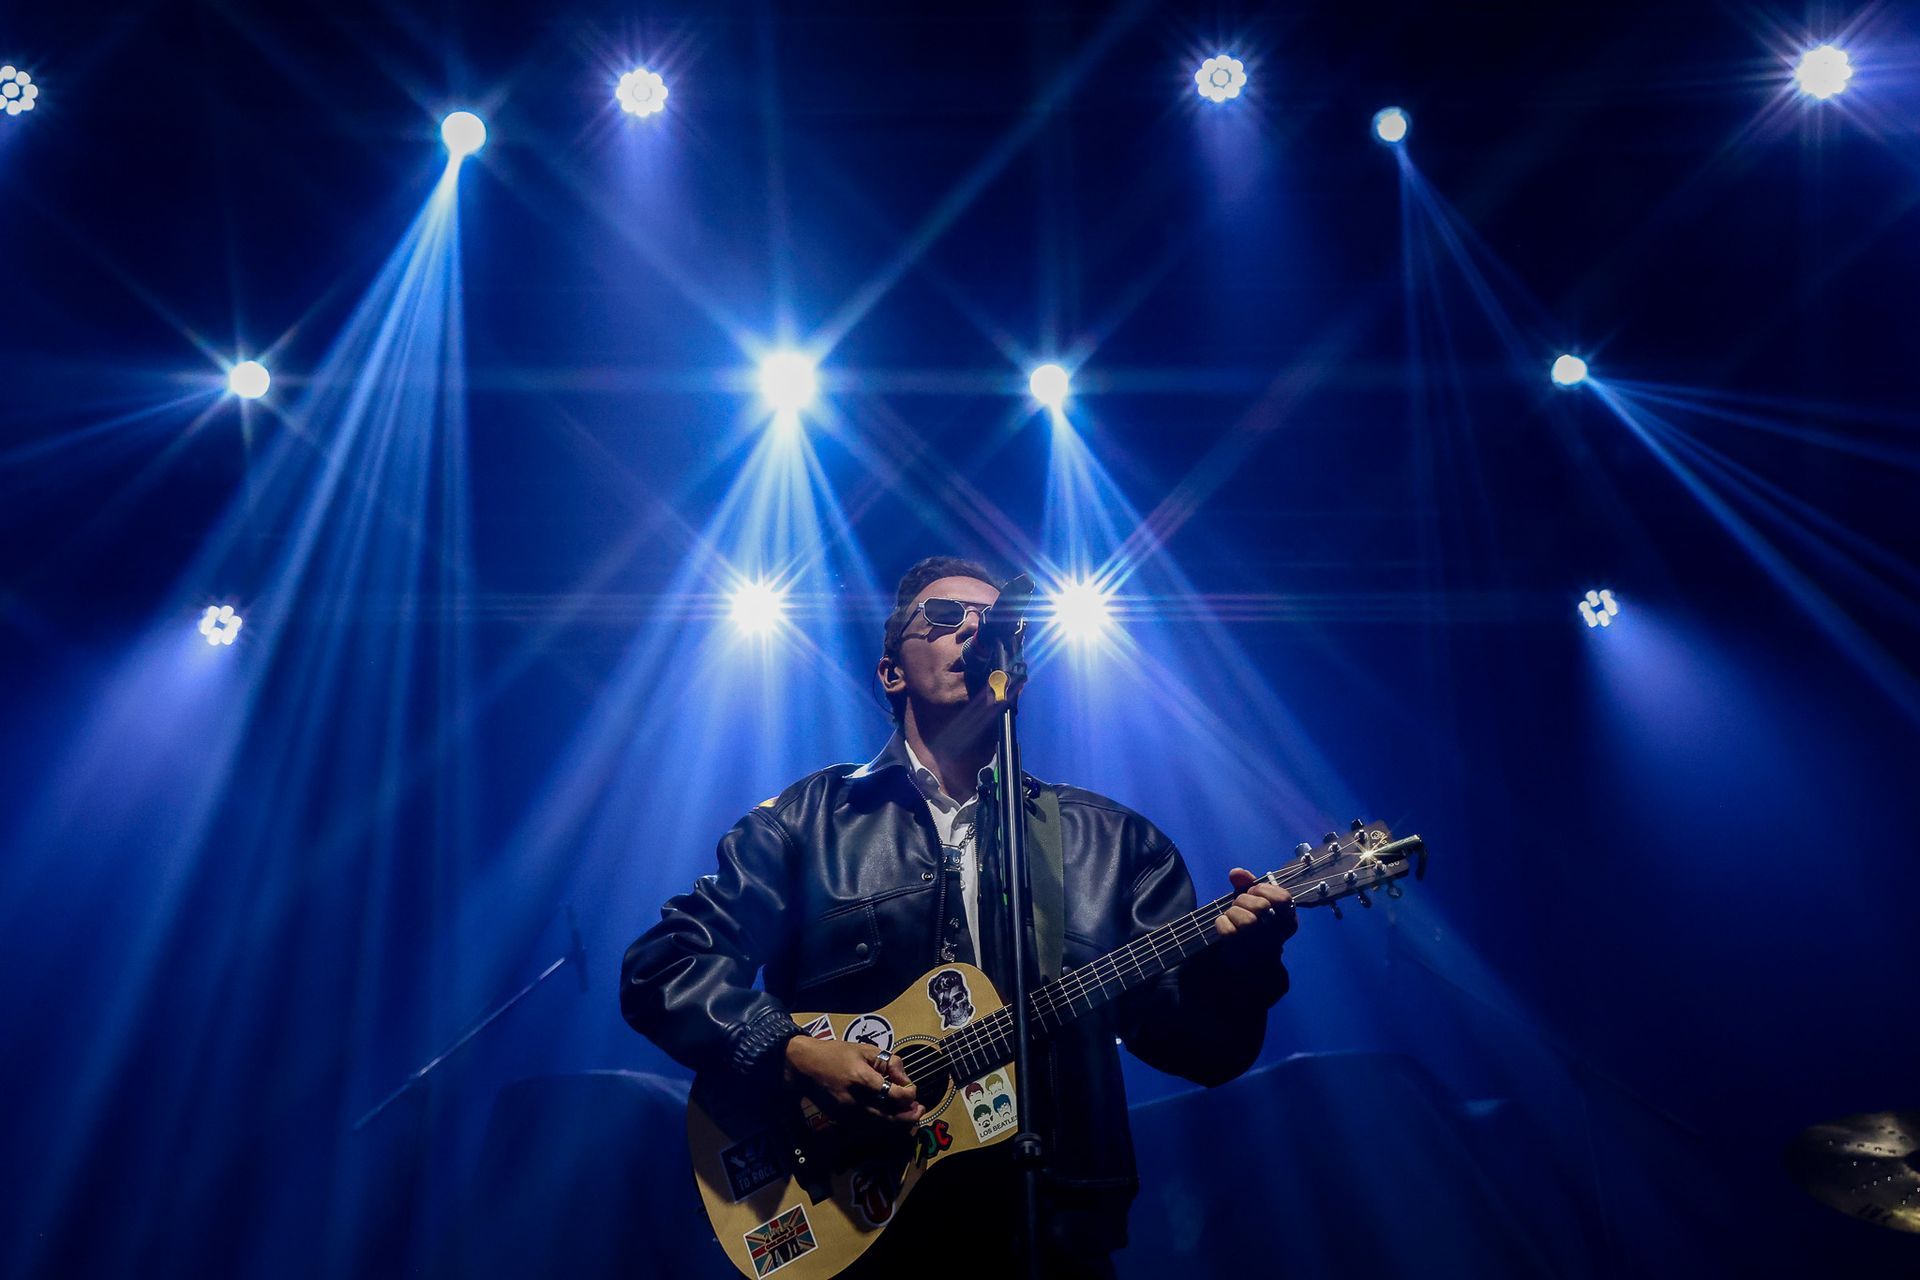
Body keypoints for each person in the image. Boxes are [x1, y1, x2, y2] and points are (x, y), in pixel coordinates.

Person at [621, 556, 1296, 1277]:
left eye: (996, 621)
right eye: (945, 618)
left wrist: (1244, 967)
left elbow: (1203, 1052)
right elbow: (666, 964)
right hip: (859, 1227)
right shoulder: (805, 822)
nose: (975, 628)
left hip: (1051, 1234)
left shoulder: (1114, 842)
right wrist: (789, 1053)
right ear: (892, 673)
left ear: (1018, 673)